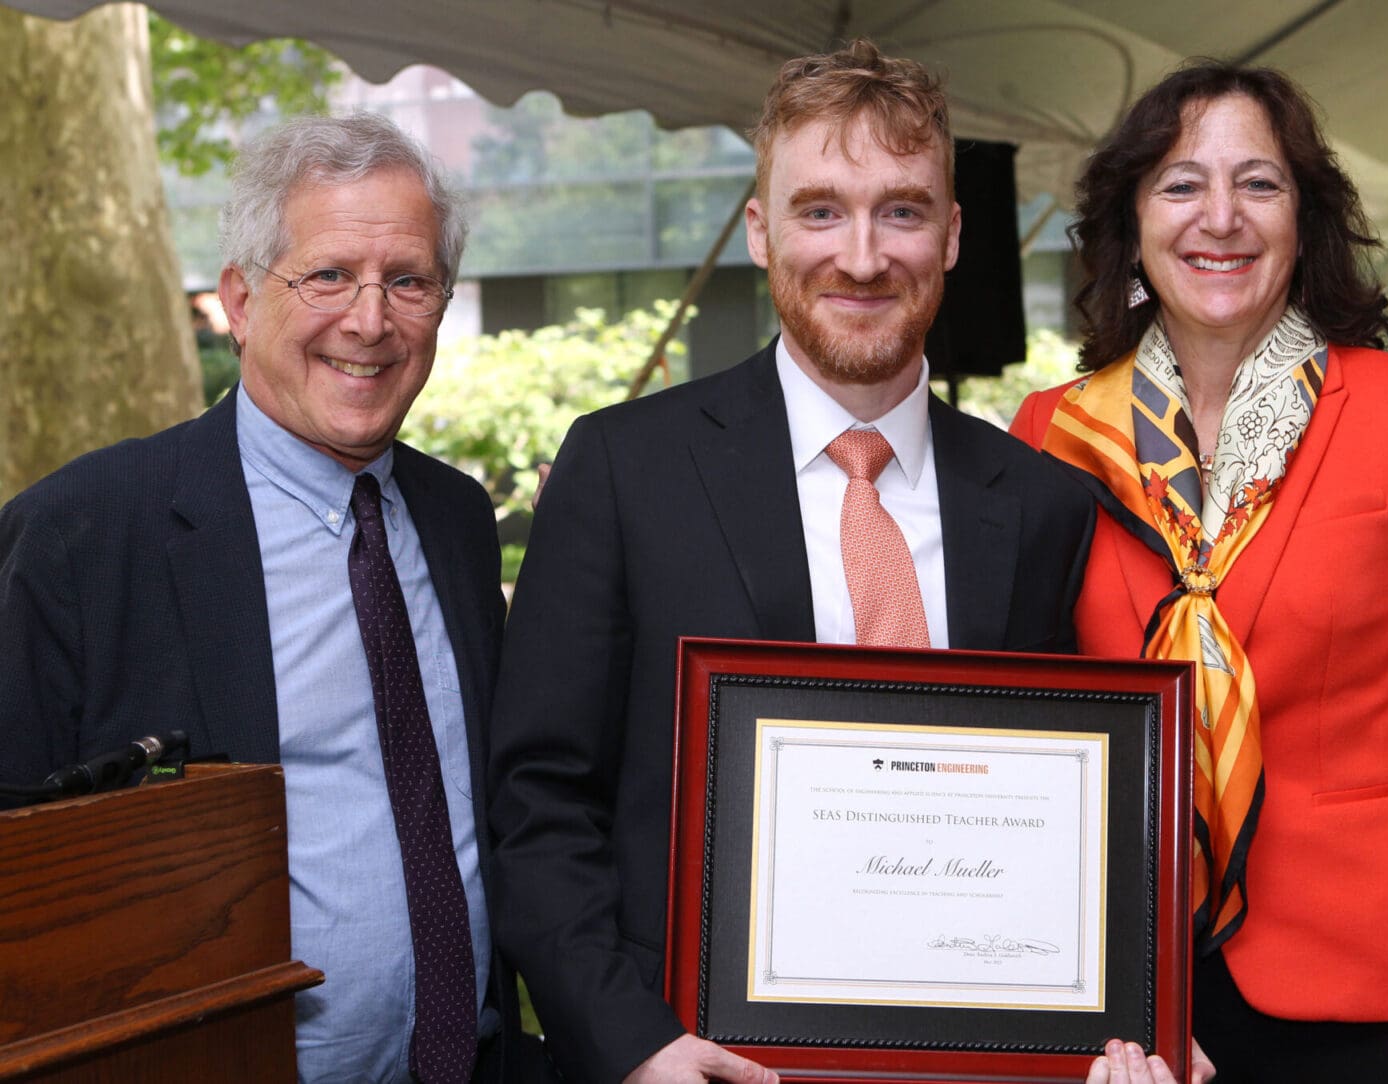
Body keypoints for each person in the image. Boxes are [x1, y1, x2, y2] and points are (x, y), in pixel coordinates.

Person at [488, 39, 1098, 1084]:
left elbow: (1065, 818)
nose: (861, 256)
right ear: (761, 231)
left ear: (952, 236)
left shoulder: (1040, 502)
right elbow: (538, 802)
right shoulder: (625, 469)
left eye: (901, 210)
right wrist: (634, 1044)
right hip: (698, 1061)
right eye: (820, 210)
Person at [1011, 61, 1388, 1083]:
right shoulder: (1052, 435)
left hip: (1363, 996)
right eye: (1179, 183)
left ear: (1305, 219)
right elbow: (1034, 746)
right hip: (1127, 1005)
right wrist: (1075, 1006)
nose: (1220, 218)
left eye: (1258, 182)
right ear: (1132, 222)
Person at [0, 113, 523, 1084]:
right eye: (326, 275)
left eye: (408, 280)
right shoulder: (83, 533)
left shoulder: (454, 517)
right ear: (239, 299)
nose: (370, 320)